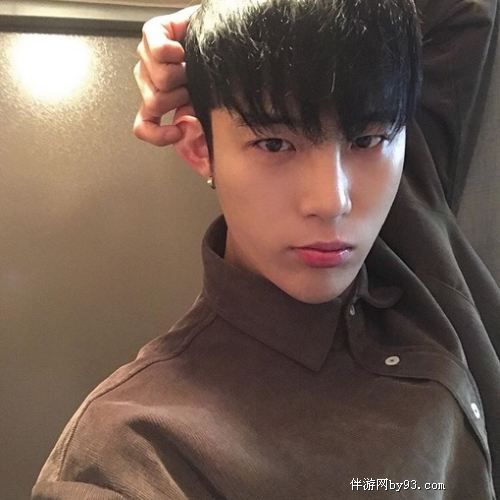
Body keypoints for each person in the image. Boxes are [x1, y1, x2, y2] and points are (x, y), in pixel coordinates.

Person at [32, 0, 500, 499]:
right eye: (274, 144)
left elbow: (459, 12)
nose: (332, 202)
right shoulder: (133, 451)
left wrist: (232, 16)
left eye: (367, 139)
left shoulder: (408, 211)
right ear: (201, 149)